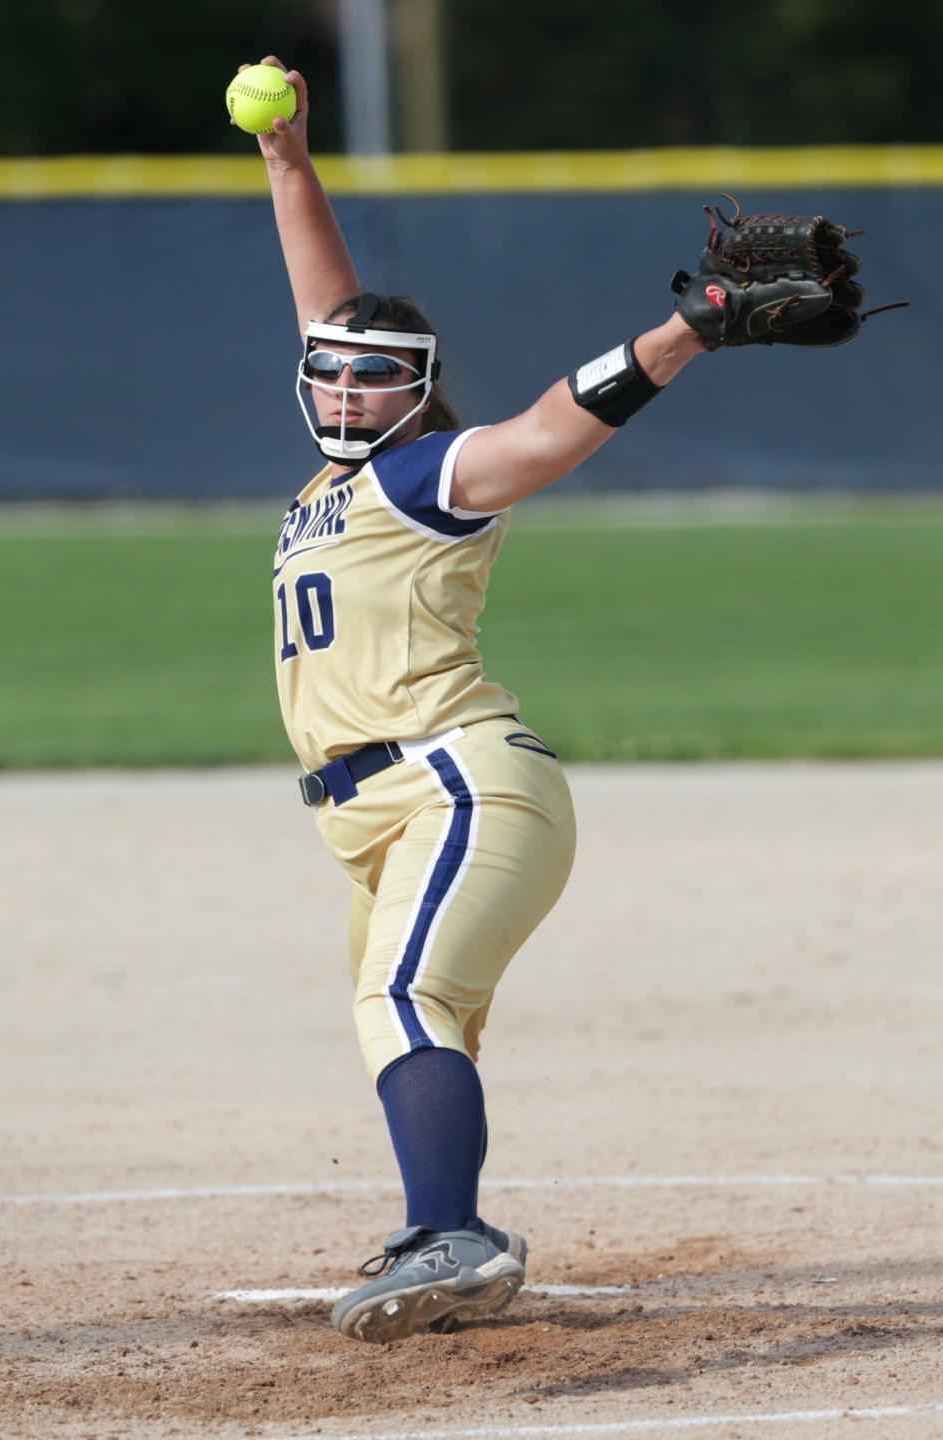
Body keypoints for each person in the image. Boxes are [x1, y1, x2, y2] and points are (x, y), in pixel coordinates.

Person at [244, 57, 704, 1344]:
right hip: (379, 812)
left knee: (405, 1002)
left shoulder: (430, 471)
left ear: (416, 389)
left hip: (456, 781)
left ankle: (453, 1235)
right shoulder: (341, 468)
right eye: (330, 375)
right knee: (408, 1016)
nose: (344, 391)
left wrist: (694, 327)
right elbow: (333, 311)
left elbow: (557, 426)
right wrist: (287, 159)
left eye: (371, 380)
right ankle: (439, 1241)